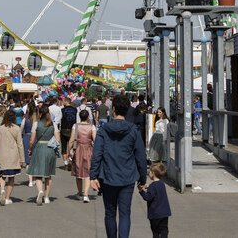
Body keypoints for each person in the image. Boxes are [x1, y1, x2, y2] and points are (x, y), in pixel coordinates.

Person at [91, 94, 147, 238]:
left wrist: (93, 176)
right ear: (127, 109)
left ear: (113, 109)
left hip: (107, 176)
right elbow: (140, 156)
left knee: (109, 213)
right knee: (125, 214)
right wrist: (143, 178)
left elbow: (97, 154)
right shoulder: (133, 130)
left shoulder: (103, 130)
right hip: (127, 176)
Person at [27, 104, 59, 205]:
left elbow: (32, 140)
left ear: (40, 114)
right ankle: (47, 197)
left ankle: (40, 191)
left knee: (38, 173)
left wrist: (29, 149)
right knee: (48, 175)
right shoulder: (53, 124)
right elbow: (58, 139)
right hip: (50, 149)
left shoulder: (36, 124)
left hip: (39, 147)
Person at [0, 108, 23, 205]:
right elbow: (20, 144)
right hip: (13, 156)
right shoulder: (17, 128)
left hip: (1, 155)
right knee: (11, 178)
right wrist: (22, 158)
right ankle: (8, 198)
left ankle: (2, 190)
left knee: (2, 175)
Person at [139, 162, 172, 238]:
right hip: (164, 213)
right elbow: (157, 192)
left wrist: (141, 191)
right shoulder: (161, 184)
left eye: (149, 172)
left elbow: (148, 197)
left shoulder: (152, 186)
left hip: (155, 214)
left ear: (153, 173)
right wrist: (148, 187)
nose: (149, 173)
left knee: (155, 231)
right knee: (164, 229)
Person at [70, 109, 97, 202]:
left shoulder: (75, 126)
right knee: (88, 171)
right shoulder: (92, 126)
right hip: (88, 148)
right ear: (88, 117)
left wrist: (68, 149)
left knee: (78, 170)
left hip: (78, 148)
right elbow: (95, 139)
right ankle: (86, 194)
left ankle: (80, 193)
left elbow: (71, 139)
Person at [59, 97, 77, 166]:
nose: (63, 102)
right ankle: (70, 160)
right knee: (71, 145)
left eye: (63, 101)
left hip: (64, 129)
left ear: (66, 102)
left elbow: (60, 119)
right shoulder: (75, 110)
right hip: (72, 130)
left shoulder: (62, 110)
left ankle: (65, 163)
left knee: (64, 147)